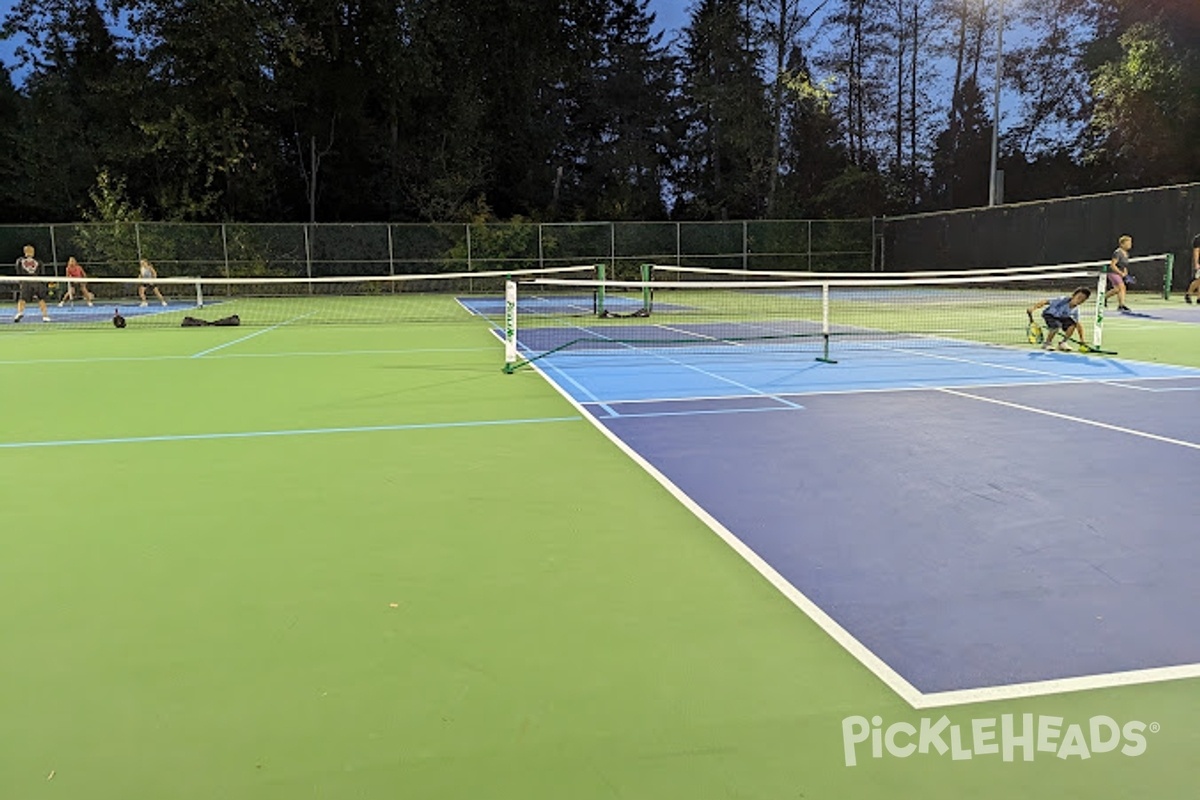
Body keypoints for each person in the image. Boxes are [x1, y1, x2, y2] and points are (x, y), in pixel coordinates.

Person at [1027, 287, 1092, 351]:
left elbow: (1078, 325)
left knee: (1073, 325)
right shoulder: (1062, 300)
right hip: (1049, 315)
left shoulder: (1076, 310)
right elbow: (1045, 301)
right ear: (1073, 296)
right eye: (1079, 298)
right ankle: (1047, 343)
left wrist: (1082, 340)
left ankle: (1063, 343)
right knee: (1056, 326)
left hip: (1061, 318)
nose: (1080, 301)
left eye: (1083, 300)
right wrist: (1033, 308)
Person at [13, 244, 51, 323]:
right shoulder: (38, 261)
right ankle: (45, 316)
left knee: (22, 299)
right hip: (36, 281)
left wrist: (20, 282)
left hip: (26, 282)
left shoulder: (20, 260)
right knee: (41, 299)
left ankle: (20, 312)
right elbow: (42, 272)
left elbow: (18, 271)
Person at [1105, 235, 1133, 312]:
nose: (1130, 245)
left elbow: (1124, 265)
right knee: (1122, 287)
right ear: (1122, 244)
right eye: (1128, 243)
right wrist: (1120, 273)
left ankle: (1104, 298)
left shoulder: (1126, 254)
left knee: (1117, 289)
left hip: (1120, 273)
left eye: (1130, 243)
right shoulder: (1117, 253)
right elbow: (1112, 265)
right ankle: (1121, 305)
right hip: (1112, 273)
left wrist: (1125, 272)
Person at [1184, 232, 1200, 304]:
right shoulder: (1198, 239)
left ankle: (1199, 298)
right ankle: (1188, 293)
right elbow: (1196, 252)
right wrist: (1196, 263)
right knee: (1198, 280)